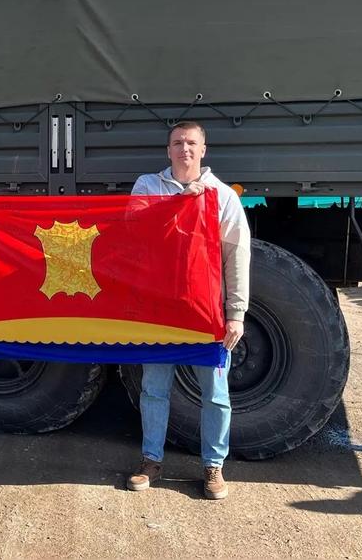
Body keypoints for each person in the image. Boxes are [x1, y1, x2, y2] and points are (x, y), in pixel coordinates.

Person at [126, 121, 251, 500]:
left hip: (206, 312)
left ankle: (214, 466)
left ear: (203, 149)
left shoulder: (223, 196)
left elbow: (237, 255)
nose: (185, 149)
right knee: (154, 388)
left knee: (215, 392)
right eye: (177, 143)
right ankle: (151, 461)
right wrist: (181, 205)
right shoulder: (147, 186)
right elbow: (134, 229)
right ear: (168, 150)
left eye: (191, 143)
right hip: (158, 311)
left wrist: (237, 312)